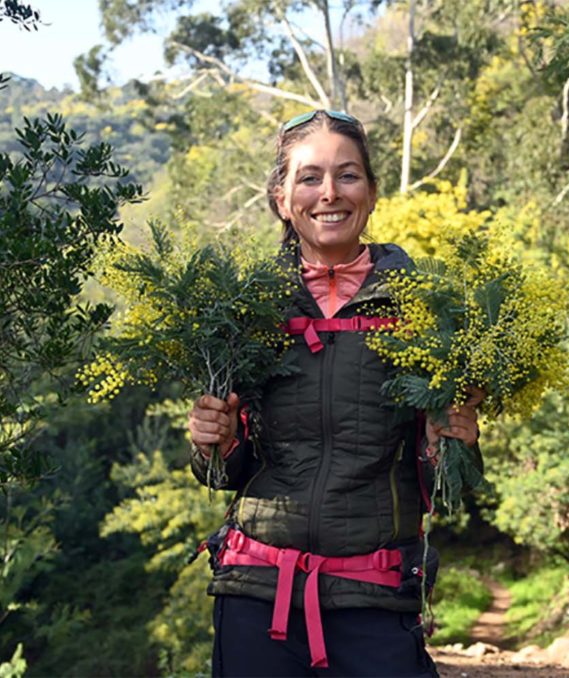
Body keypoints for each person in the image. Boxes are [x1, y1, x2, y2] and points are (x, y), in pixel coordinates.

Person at [188, 110, 482, 677]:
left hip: (372, 596)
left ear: (371, 194)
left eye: (347, 176)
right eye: (309, 177)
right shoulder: (243, 310)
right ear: (281, 198)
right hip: (257, 593)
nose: (329, 193)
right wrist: (212, 443)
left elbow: (444, 481)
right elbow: (224, 471)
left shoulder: (426, 310)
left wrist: (453, 442)